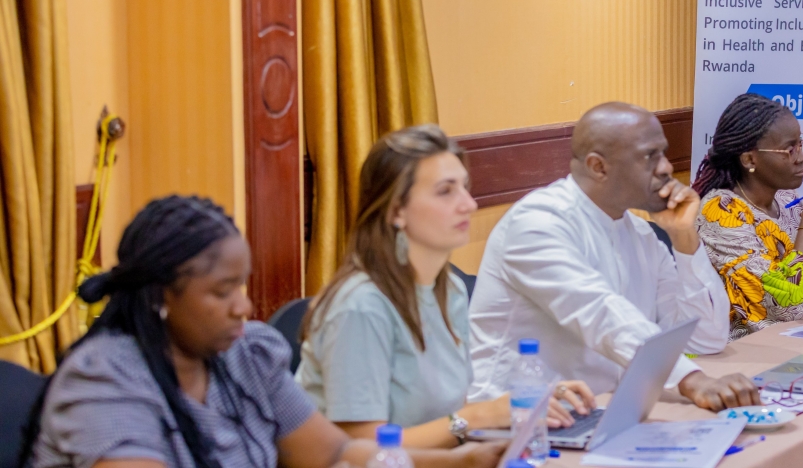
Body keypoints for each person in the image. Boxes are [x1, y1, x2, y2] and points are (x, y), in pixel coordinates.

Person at [30, 195, 504, 468]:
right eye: (222, 292)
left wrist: (462, 461)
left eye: (242, 285)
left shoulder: (244, 354)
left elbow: (336, 453)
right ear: (160, 296)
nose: (245, 306)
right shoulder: (105, 382)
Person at [297, 125, 595, 449]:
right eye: (445, 191)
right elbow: (363, 449)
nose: (468, 204)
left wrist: (528, 400)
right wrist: (479, 416)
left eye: (464, 188)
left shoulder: (449, 289)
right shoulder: (360, 307)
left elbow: (448, 419)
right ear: (396, 210)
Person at [468, 102, 760, 412]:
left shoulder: (639, 232)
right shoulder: (538, 223)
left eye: (663, 153)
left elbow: (705, 339)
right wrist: (692, 380)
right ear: (598, 167)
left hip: (599, 412)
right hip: (516, 420)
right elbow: (600, 313)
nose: (665, 167)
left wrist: (683, 236)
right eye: (649, 156)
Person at [692, 93, 803, 341]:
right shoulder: (721, 211)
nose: (802, 156)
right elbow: (787, 308)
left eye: (800, 144)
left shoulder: (786, 200)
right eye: (789, 149)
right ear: (749, 159)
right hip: (740, 353)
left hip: (791, 345)